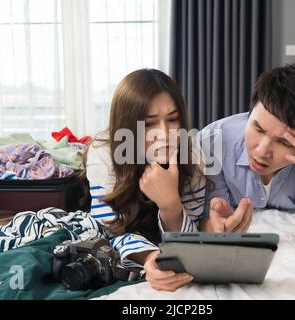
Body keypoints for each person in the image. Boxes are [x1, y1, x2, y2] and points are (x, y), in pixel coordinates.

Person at [199, 62, 295, 253]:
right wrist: (214, 226)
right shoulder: (213, 141)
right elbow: (205, 219)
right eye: (258, 128)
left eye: (285, 142)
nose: (262, 150)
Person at [84, 69, 208, 291]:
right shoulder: (103, 156)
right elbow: (111, 230)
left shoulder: (193, 156)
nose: (164, 133)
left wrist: (171, 206)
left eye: (173, 119)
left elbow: (189, 243)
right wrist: (150, 258)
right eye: (149, 123)